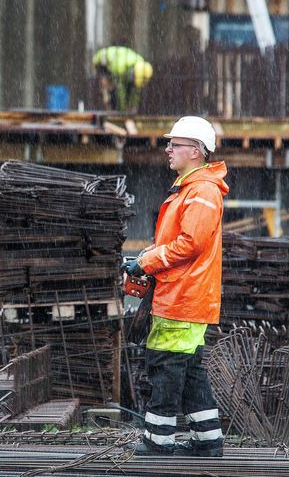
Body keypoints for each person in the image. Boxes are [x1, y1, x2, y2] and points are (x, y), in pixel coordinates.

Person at [121, 116, 228, 457]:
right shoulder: (193, 189)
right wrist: (145, 256)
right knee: (190, 369)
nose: (167, 149)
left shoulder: (201, 191)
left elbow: (190, 244)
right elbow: (177, 241)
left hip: (184, 298)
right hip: (184, 296)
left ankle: (158, 441)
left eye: (175, 144)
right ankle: (208, 441)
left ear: (195, 151)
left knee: (166, 366)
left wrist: (147, 263)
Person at [92, 46, 152, 113]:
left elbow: (136, 90)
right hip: (101, 63)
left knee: (126, 91)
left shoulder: (141, 66)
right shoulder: (120, 69)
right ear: (132, 74)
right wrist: (123, 113)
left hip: (117, 63)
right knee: (109, 94)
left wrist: (133, 107)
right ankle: (110, 110)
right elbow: (121, 92)